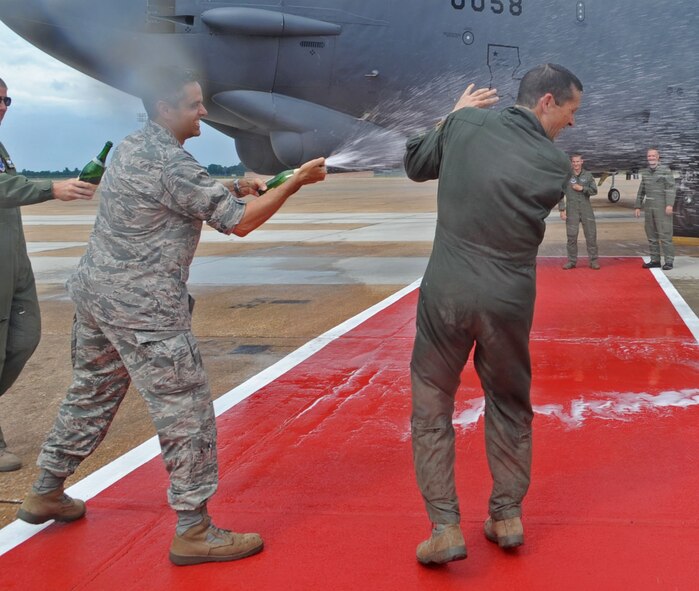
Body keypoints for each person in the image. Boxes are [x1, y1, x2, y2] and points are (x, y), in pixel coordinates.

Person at [16, 68, 326, 566]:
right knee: (186, 410)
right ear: (165, 109)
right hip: (145, 309)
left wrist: (234, 185)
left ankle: (47, 489)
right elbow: (239, 224)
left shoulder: (133, 147)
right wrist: (295, 184)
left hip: (99, 297)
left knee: (91, 393)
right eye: (193, 104)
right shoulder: (171, 163)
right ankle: (193, 529)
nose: (203, 112)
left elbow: (184, 193)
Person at [404, 64, 582, 565]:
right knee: (507, 402)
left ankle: (443, 527)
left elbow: (414, 164)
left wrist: (452, 117)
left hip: (447, 293)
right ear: (547, 102)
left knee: (432, 400)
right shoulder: (555, 167)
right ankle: (506, 515)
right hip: (509, 298)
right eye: (570, 114)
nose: (571, 126)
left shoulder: (464, 127)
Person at [0, 77, 97, 472]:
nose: (2, 106)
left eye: (6, 99)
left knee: (24, 339)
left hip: (13, 264)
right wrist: (50, 188)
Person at [634, 148, 676, 270]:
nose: (651, 158)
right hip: (649, 207)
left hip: (662, 207)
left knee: (665, 235)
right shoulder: (646, 172)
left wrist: (669, 204)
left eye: (653, 156)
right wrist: (637, 206)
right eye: (649, 156)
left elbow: (671, 188)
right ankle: (655, 260)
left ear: (658, 157)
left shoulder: (665, 171)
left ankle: (669, 261)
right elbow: (641, 190)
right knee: (651, 234)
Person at [559, 153, 600, 270]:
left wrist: (582, 188)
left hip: (586, 209)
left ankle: (593, 261)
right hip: (571, 210)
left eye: (578, 162)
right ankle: (571, 261)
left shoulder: (588, 175)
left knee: (591, 236)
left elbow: (594, 190)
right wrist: (562, 209)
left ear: (582, 162)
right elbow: (560, 193)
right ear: (571, 163)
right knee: (571, 237)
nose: (576, 164)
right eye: (574, 162)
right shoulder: (567, 176)